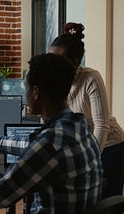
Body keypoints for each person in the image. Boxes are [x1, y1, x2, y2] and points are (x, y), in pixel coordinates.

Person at [0, 53, 103, 214]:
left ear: (36, 91)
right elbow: (30, 147)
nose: (26, 95)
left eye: (27, 88)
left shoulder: (49, 143)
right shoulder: (79, 126)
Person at [49, 22, 124, 198]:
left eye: (57, 61)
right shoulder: (52, 79)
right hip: (81, 149)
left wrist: (88, 160)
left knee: (104, 204)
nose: (51, 65)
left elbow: (101, 125)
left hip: (109, 148)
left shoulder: (90, 78)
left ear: (74, 62)